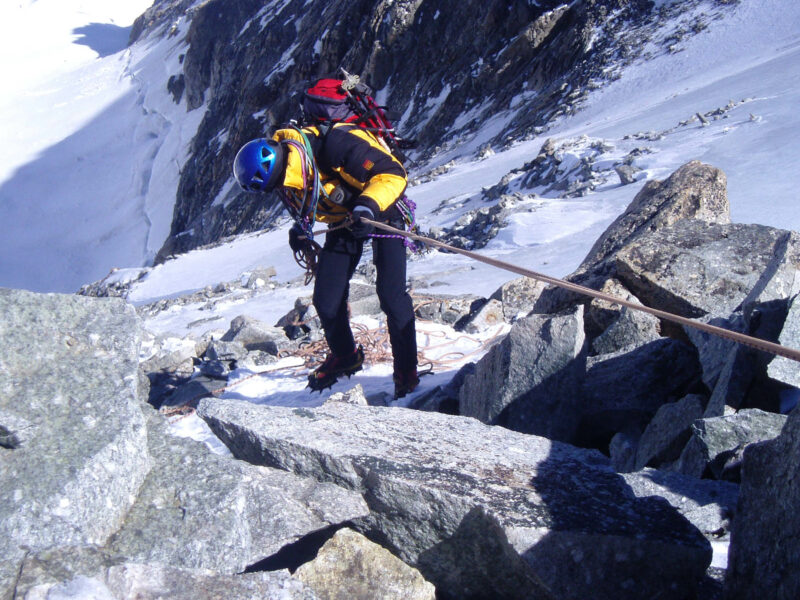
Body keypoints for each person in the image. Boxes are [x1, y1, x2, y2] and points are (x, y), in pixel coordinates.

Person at [232, 93, 419, 399]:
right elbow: (313, 200)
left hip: (384, 209)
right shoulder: (293, 170)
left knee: (391, 294)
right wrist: (302, 230)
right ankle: (346, 356)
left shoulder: (336, 144)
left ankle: (406, 374)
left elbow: (392, 173)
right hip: (347, 219)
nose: (280, 191)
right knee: (327, 298)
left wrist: (368, 205)